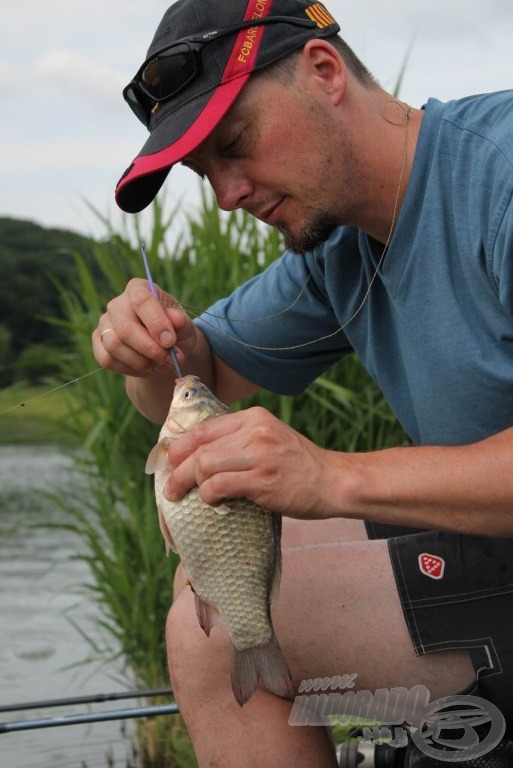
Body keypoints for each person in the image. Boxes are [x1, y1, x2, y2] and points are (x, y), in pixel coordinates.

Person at [92, 0, 513, 765]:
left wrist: (332, 476)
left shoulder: (501, 174)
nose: (226, 193)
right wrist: (156, 353)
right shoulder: (337, 251)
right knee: (209, 631)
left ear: (323, 73)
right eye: (203, 171)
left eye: (236, 144)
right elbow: (198, 380)